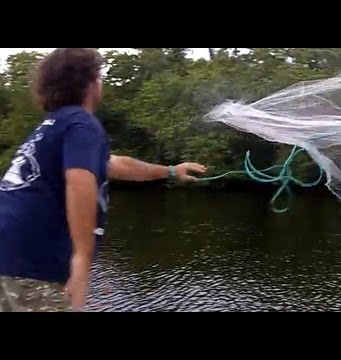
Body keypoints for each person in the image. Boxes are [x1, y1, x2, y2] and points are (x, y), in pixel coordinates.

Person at [0, 48, 207, 312]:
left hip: (9, 259)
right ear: (90, 82)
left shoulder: (55, 126)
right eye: (99, 76)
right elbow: (79, 180)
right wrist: (82, 261)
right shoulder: (82, 124)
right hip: (33, 265)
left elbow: (114, 164)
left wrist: (170, 171)